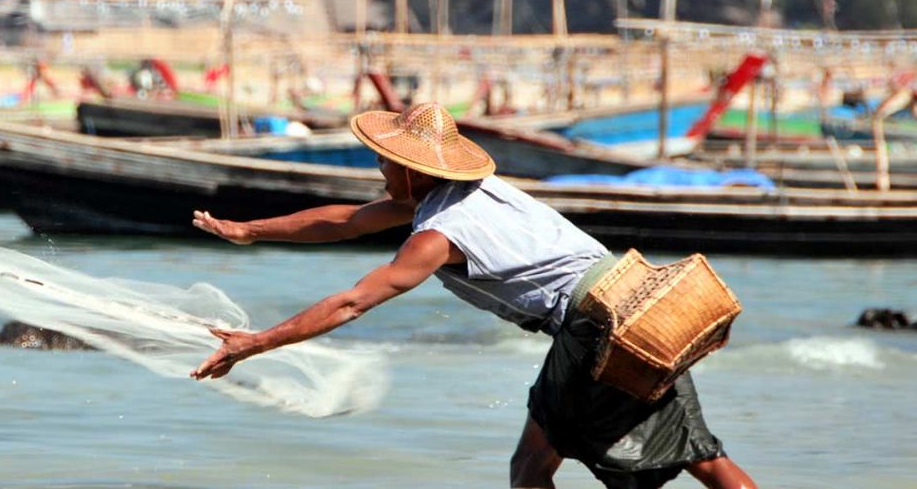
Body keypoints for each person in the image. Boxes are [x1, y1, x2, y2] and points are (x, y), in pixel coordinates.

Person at [187, 103, 757, 489]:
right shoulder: (477, 190)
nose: (378, 165)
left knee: (530, 469)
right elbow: (344, 221)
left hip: (593, 324)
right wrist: (247, 230)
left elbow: (353, 302)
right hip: (642, 301)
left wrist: (256, 343)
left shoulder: (437, 235)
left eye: (385, 159)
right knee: (704, 457)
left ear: (412, 173)